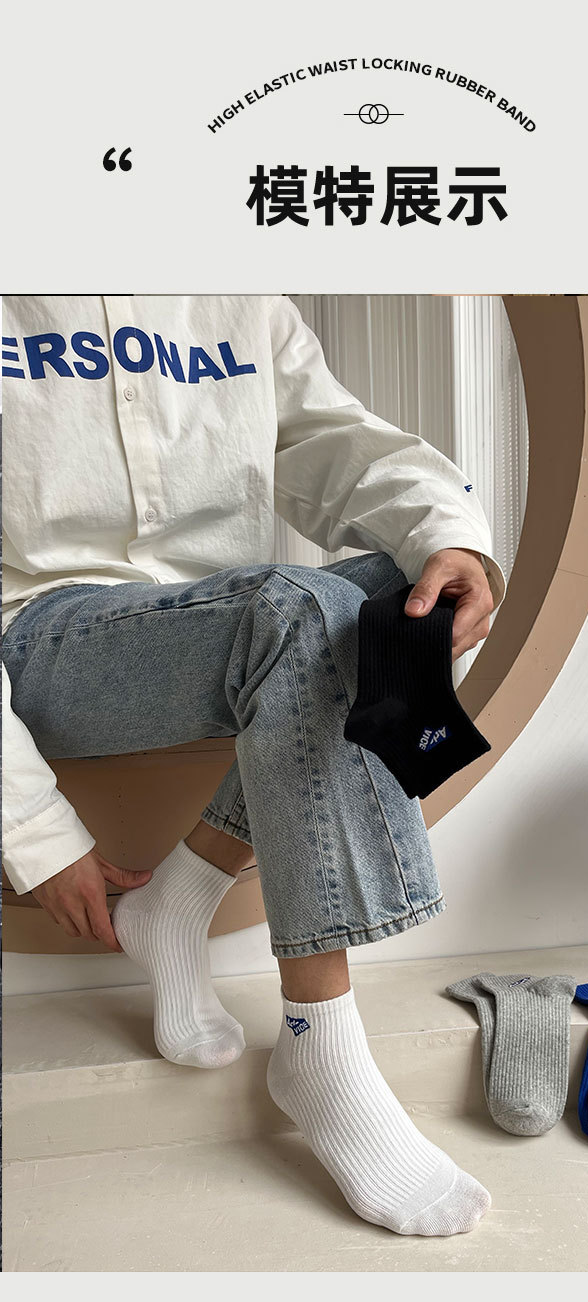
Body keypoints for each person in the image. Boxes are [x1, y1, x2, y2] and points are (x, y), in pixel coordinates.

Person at [2, 295, 506, 1238]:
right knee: (299, 612)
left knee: (404, 597)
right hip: (40, 632)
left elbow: (337, 441)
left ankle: (179, 895)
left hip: (214, 617)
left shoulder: (237, 295)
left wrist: (448, 535)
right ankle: (319, 1042)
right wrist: (32, 830)